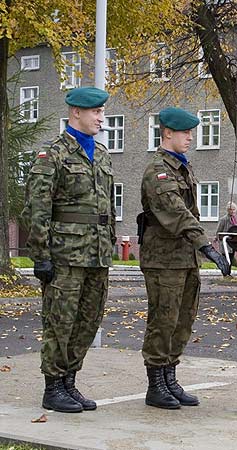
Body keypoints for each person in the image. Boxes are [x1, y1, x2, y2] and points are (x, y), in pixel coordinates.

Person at [22, 87, 114, 413]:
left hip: (97, 254)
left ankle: (69, 380)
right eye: (96, 113)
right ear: (76, 112)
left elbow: (107, 208)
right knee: (59, 322)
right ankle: (53, 386)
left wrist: (110, 245)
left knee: (89, 320)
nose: (101, 118)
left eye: (102, 112)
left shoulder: (101, 154)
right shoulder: (53, 155)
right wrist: (41, 255)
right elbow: (37, 207)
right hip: (65, 255)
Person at [139, 107, 230, 409]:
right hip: (164, 259)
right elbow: (178, 214)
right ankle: (156, 384)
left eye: (192, 132)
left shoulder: (182, 167)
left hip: (184, 257)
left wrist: (200, 250)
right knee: (163, 321)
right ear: (167, 133)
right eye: (185, 132)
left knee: (182, 320)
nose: (191, 137)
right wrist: (207, 247)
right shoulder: (158, 171)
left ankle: (169, 377)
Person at [215, 201, 237, 266]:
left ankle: (229, 273)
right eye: (230, 209)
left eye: (233, 209)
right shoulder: (224, 219)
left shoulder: (235, 219)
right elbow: (219, 230)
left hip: (233, 242)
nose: (232, 211)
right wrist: (216, 237)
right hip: (225, 242)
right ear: (228, 210)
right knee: (226, 258)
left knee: (231, 258)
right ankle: (226, 273)